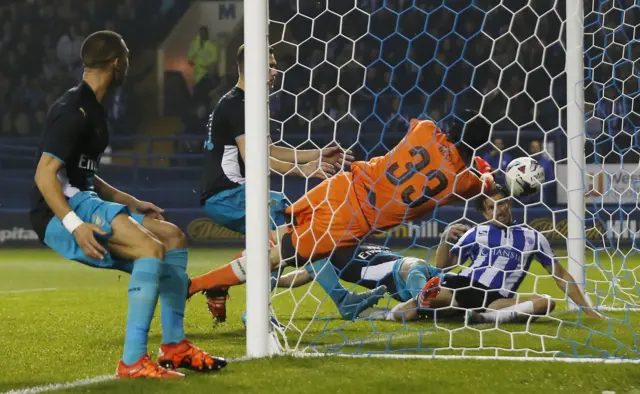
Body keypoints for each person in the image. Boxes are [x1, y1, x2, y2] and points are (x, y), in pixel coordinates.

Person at [29, 31, 226, 379]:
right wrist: (74, 225)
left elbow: (85, 175)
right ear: (118, 63)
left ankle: (174, 347)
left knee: (173, 237)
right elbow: (45, 175)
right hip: (59, 211)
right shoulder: (72, 110)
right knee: (149, 249)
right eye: (129, 58)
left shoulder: (93, 108)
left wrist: (132, 201)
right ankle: (133, 361)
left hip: (83, 197)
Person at [189, 109, 496, 320]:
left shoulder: (426, 129)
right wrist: (482, 168)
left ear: (451, 129)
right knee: (278, 256)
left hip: (342, 185)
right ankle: (197, 286)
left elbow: (421, 129)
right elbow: (486, 184)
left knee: (277, 239)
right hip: (350, 219)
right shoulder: (462, 181)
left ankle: (223, 287)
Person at [191, 44, 356, 324]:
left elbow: (269, 150)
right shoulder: (238, 105)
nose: (274, 71)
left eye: (274, 64)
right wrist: (303, 171)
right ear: (250, 67)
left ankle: (218, 284)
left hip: (232, 193)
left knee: (295, 231)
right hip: (226, 194)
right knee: (290, 226)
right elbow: (254, 158)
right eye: (269, 65)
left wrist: (317, 153)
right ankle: (258, 312)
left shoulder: (246, 102)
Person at [383, 185, 603, 323]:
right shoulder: (476, 232)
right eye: (491, 206)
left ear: (510, 203)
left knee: (545, 303)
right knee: (414, 308)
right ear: (484, 213)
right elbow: (444, 266)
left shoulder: (533, 237)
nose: (499, 210)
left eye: (502, 203)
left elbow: (561, 276)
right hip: (465, 286)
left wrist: (588, 311)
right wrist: (445, 239)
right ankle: (381, 314)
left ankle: (479, 318)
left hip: (497, 300)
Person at [276, 243, 443, 320]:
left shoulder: (357, 244)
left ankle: (431, 304)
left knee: (449, 292)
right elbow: (300, 276)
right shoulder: (325, 256)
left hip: (414, 272)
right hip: (407, 272)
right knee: (425, 294)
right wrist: (270, 280)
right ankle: (424, 302)